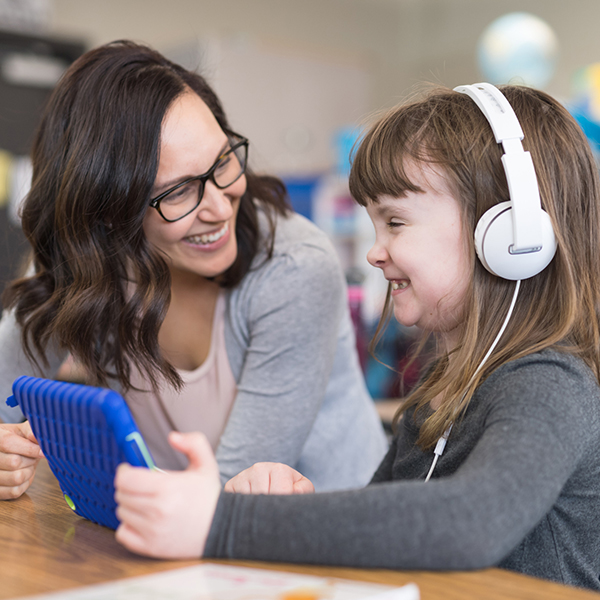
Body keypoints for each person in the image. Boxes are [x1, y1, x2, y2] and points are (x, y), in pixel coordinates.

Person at [114, 83, 600, 591]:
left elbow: (471, 522)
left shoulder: (550, 383)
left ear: (509, 236)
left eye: (395, 222)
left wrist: (224, 523)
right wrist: (287, 506)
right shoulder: (441, 391)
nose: (375, 252)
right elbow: (383, 547)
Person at [0, 40, 387, 500]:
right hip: (177, 534)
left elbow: (231, 496)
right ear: (107, 211)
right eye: (180, 191)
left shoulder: (293, 267)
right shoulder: (87, 269)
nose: (221, 205)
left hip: (330, 543)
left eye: (223, 161)